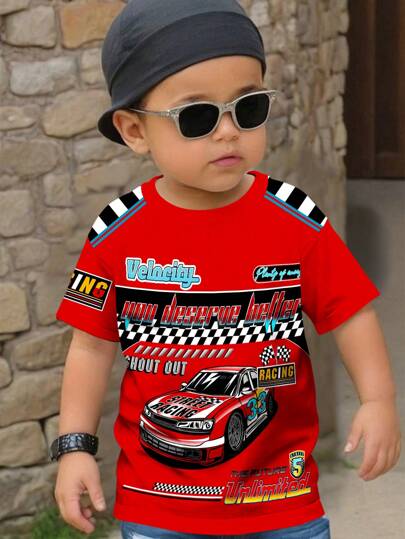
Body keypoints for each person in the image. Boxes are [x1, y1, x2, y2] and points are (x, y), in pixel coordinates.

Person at [51, 1, 401, 538]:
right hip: (157, 508)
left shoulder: (296, 218)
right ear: (135, 130)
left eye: (248, 107)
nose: (228, 132)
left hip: (281, 502)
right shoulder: (115, 232)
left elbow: (351, 312)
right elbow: (90, 348)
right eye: (197, 116)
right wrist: (75, 447)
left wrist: (378, 400)